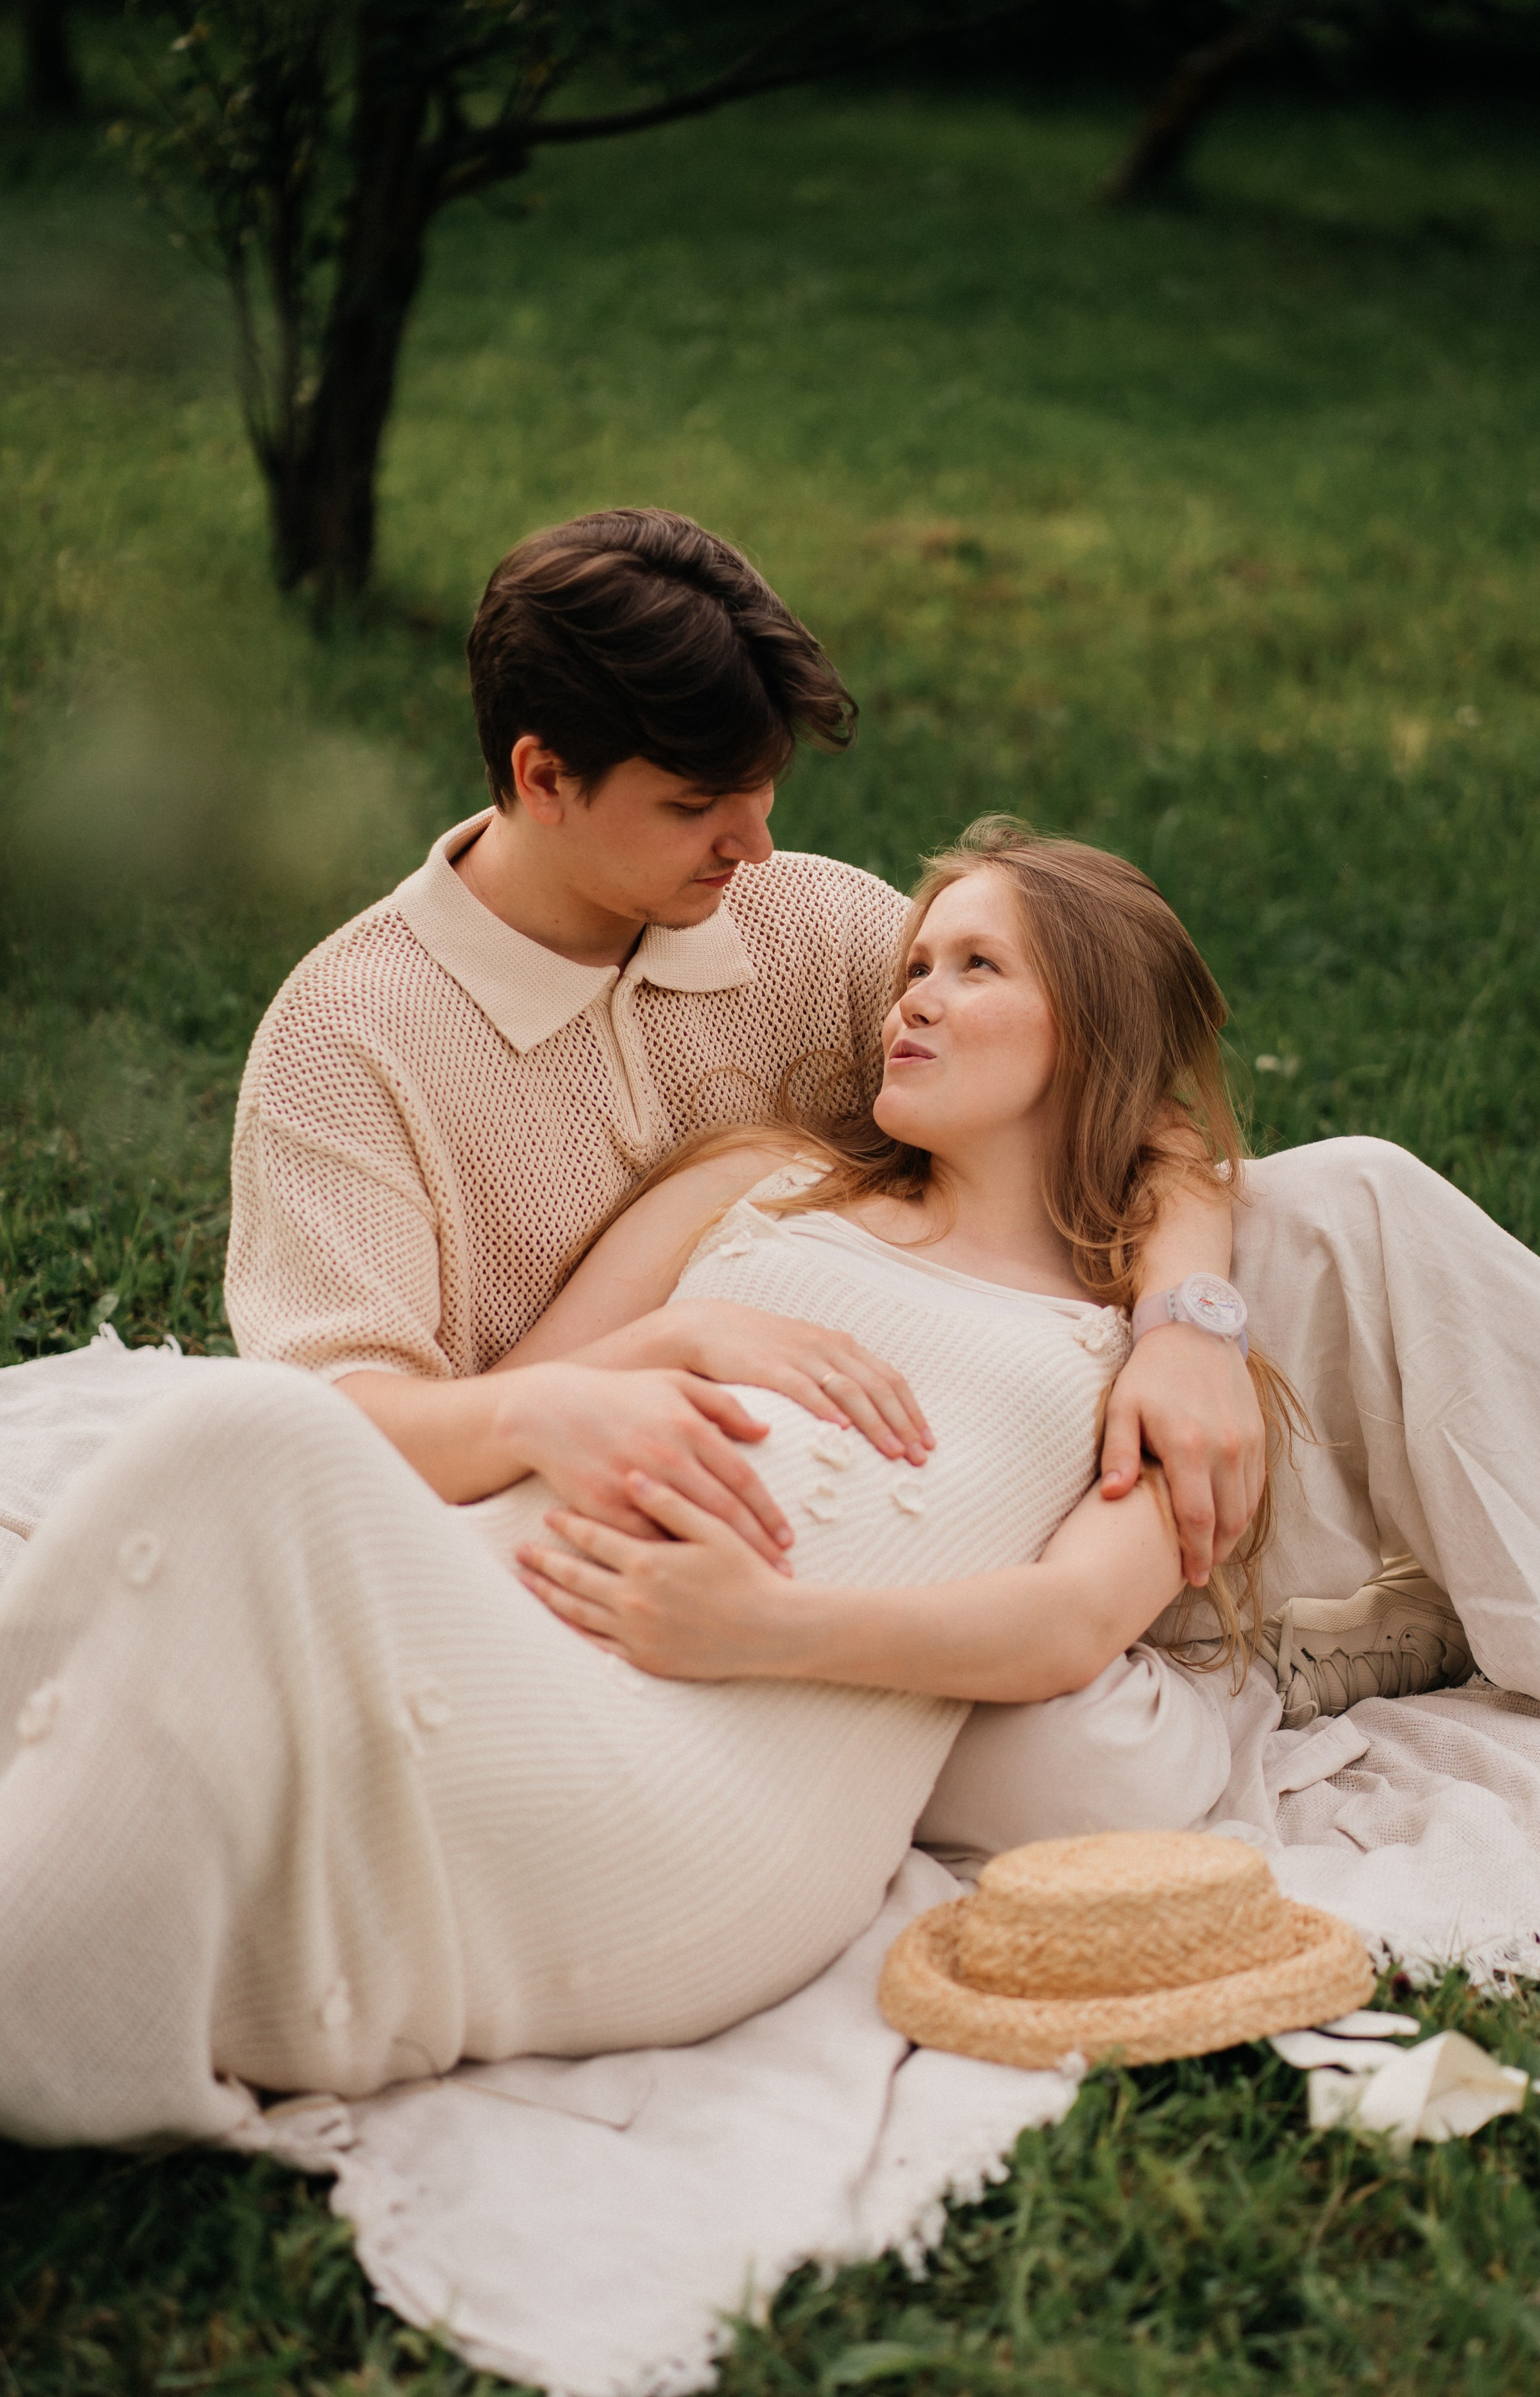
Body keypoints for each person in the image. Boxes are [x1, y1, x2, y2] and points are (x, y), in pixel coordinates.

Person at [3, 830, 1540, 2152]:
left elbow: (1063, 1624)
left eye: (973, 968)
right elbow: (505, 1418)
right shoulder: (756, 1183)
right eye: (911, 967)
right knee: (237, 1451)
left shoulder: (1131, 1348)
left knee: (232, 1462)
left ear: (1089, 1035)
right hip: (502, 1618)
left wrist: (760, 1627)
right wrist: (677, 1334)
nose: (909, 999)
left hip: (701, 1777)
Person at [225, 507, 1265, 1598]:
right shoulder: (350, 1040)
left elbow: (1124, 1103)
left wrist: (1189, 1325)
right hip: (549, 1545)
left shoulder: (817, 922)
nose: (756, 844)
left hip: (889, 1496)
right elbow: (332, 1429)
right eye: (694, 805)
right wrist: (656, 1349)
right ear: (543, 778)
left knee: (1334, 1208)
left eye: (764, 787)